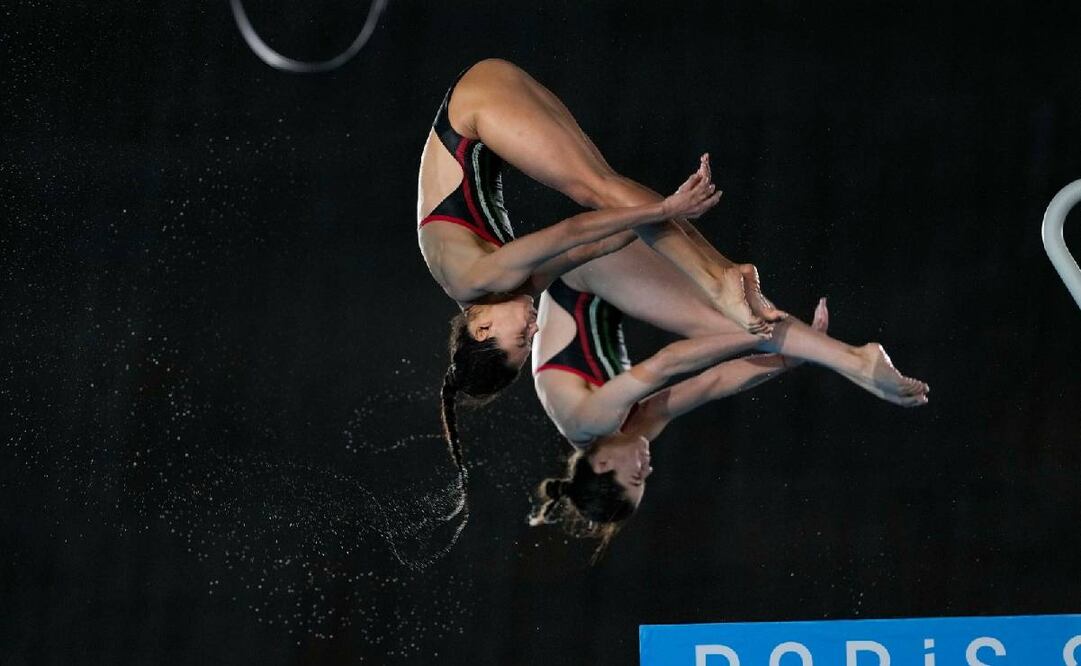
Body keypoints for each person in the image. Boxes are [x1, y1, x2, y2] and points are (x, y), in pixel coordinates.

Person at [527, 298, 835, 552]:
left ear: (603, 463)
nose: (648, 469)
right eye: (644, 478)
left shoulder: (587, 422)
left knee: (728, 319)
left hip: (580, 276)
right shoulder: (629, 431)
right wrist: (786, 361)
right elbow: (711, 384)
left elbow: (668, 361)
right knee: (730, 317)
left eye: (636, 476)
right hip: (605, 286)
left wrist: (761, 334)